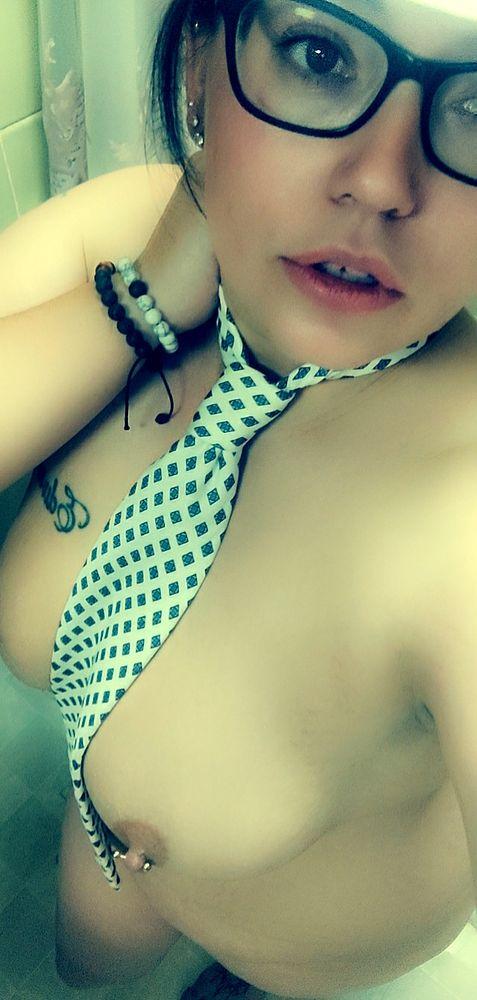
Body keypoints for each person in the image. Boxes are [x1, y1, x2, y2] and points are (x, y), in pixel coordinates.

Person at [1, 0, 477, 996]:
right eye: (319, 53)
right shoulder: (116, 234)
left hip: (294, 956)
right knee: (77, 973)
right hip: (109, 843)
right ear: (199, 65)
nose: (381, 180)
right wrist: (141, 299)